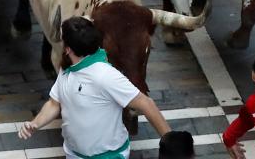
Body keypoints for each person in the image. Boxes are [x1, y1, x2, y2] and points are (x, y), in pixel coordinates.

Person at [19, 16, 171, 159]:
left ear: (68, 48)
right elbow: (54, 103)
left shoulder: (105, 76)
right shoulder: (66, 68)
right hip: (74, 155)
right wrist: (35, 124)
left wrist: (173, 145)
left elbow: (146, 104)